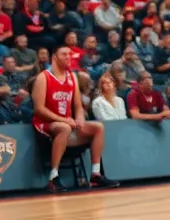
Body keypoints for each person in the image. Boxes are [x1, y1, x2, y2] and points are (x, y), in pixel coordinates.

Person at [31, 46, 118, 192]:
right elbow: (39, 110)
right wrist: (64, 120)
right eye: (64, 54)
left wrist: (79, 118)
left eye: (70, 55)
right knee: (64, 127)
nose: (68, 57)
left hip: (66, 125)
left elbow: (77, 105)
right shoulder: (43, 77)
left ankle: (96, 175)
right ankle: (53, 177)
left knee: (98, 128)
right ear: (54, 58)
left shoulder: (72, 77)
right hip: (45, 125)